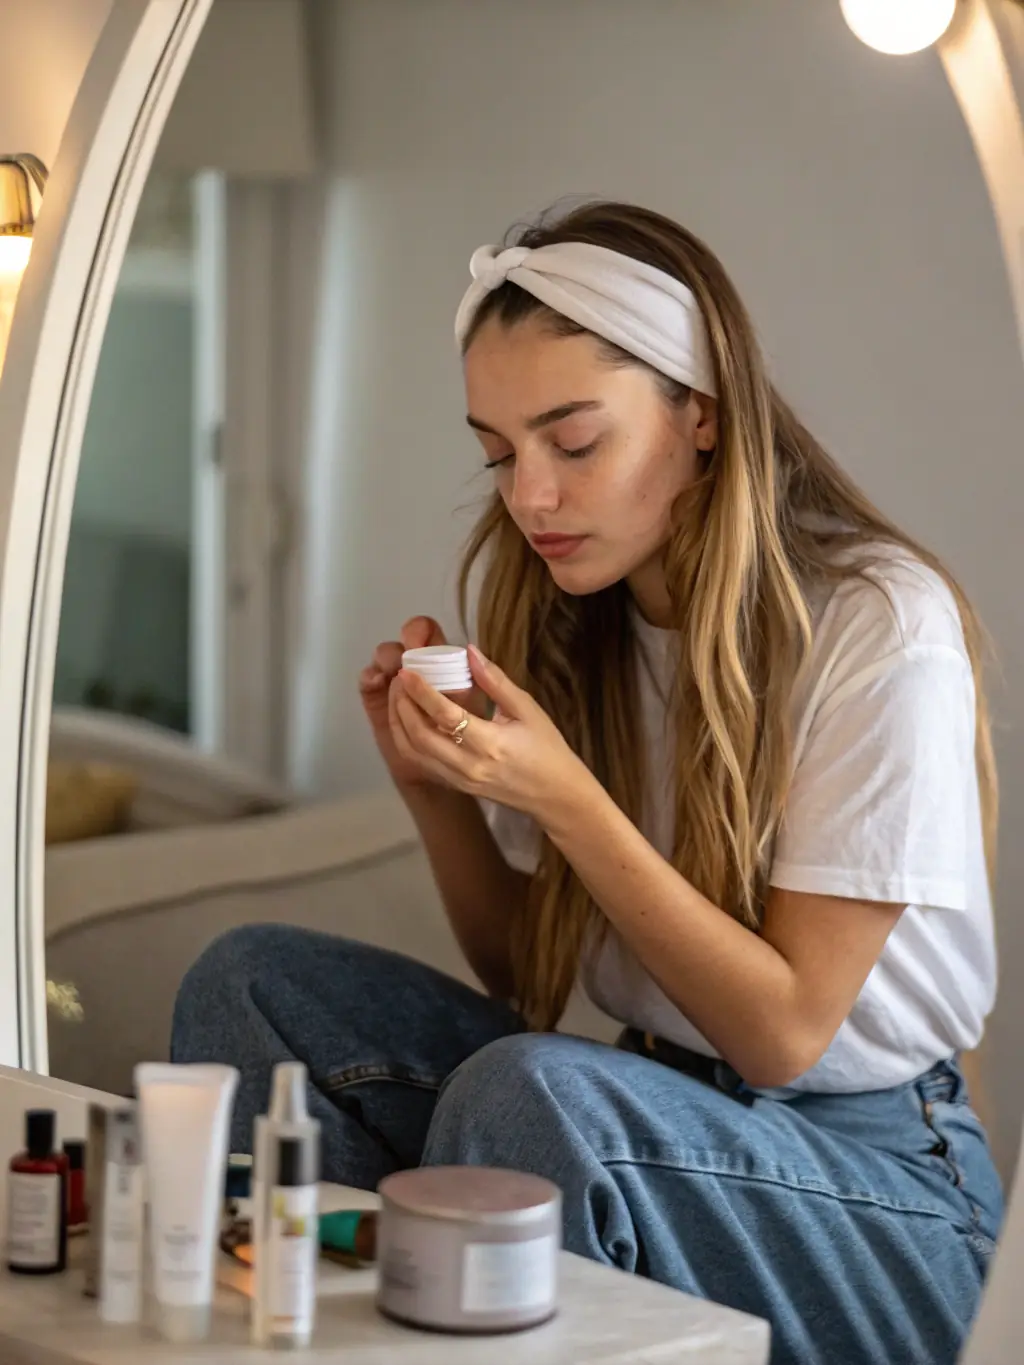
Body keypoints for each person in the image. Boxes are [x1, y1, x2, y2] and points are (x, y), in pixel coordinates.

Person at [171, 201, 1002, 1365]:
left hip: (878, 1183)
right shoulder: (578, 617)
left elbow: (786, 1035)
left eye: (574, 442)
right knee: (253, 984)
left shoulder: (874, 622)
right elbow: (530, 970)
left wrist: (565, 795)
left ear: (698, 414)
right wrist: (436, 786)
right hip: (649, 1114)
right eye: (500, 452)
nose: (530, 498)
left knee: (530, 1096)